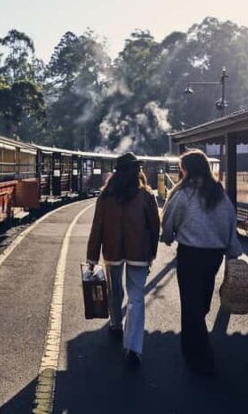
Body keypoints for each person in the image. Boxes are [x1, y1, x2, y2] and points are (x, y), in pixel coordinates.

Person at [161, 149, 243, 375]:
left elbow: (169, 221)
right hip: (214, 255)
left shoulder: (184, 194)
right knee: (203, 299)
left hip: (190, 254)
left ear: (187, 170)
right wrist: (232, 249)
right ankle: (197, 347)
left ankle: (198, 352)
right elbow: (229, 220)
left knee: (190, 302)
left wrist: (167, 237)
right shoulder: (218, 193)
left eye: (182, 169)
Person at [87, 152, 160, 366]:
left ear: (116, 173)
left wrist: (92, 258)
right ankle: (133, 347)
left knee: (114, 289)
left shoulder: (106, 196)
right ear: (137, 171)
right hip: (139, 253)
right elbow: (154, 227)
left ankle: (116, 324)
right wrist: (151, 254)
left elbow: (97, 227)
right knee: (136, 299)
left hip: (112, 251)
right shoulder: (146, 196)